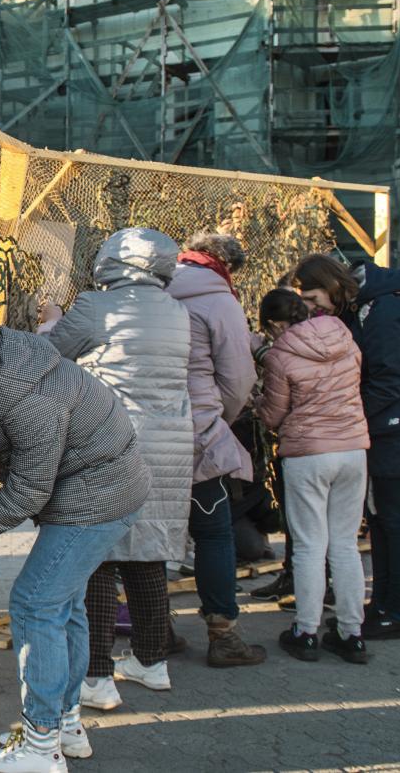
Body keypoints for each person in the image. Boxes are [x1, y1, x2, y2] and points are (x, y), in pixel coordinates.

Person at [0, 328, 147, 773]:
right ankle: (64, 725)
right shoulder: (10, 376)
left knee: (34, 602)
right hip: (103, 490)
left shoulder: (27, 404)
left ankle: (41, 747)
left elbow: (27, 494)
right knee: (64, 605)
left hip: (98, 499)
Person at [41, 228, 193, 710]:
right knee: (147, 553)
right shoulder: (178, 311)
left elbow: (51, 354)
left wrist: (49, 322)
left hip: (110, 439)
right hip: (169, 443)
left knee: (99, 556)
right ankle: (152, 662)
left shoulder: (97, 306)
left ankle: (97, 674)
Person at [290, 253, 400, 640]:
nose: (310, 308)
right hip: (386, 432)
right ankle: (381, 607)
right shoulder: (364, 307)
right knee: (380, 522)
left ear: (332, 285)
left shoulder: (386, 310)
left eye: (312, 298)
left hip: (399, 436)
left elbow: (388, 381)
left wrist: (347, 420)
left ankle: (396, 613)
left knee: (395, 521)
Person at [164, 232, 265, 667]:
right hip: (197, 433)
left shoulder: (153, 287)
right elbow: (239, 376)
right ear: (226, 265)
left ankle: (156, 631)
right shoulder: (219, 299)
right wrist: (219, 416)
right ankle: (223, 635)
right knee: (213, 534)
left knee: (152, 534)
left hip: (147, 431)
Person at [253, 288, 370, 663]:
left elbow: (273, 415)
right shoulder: (345, 338)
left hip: (308, 454)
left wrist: (256, 402)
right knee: (345, 544)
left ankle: (306, 631)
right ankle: (352, 633)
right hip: (353, 450)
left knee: (308, 545)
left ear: (274, 323)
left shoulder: (282, 355)